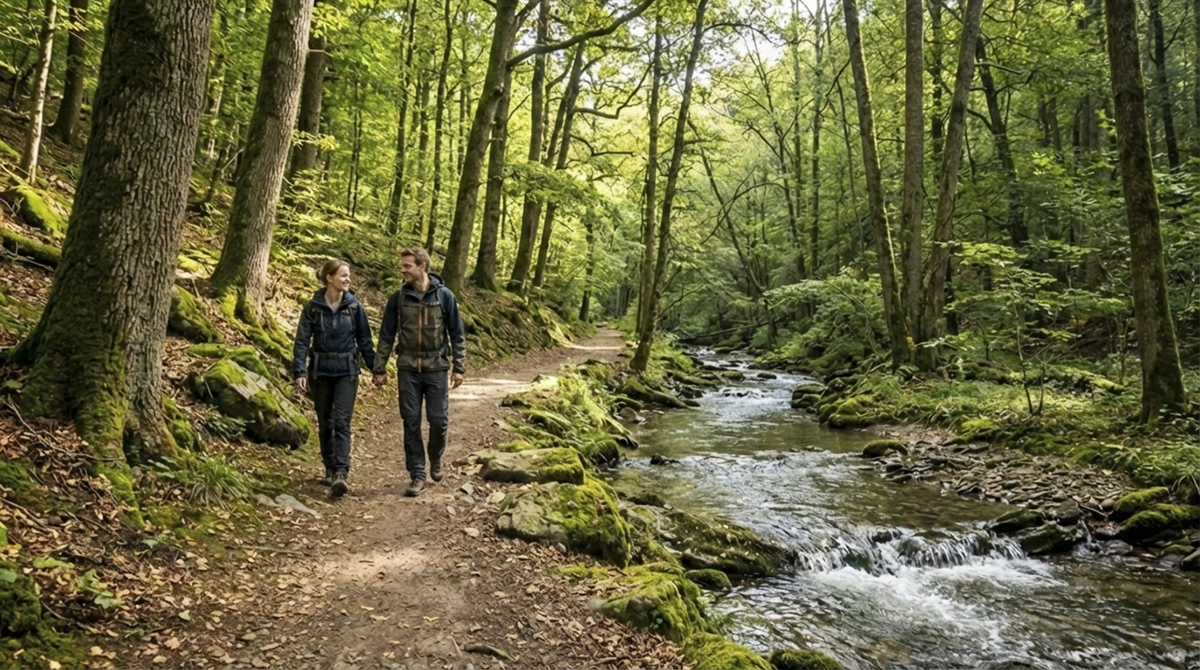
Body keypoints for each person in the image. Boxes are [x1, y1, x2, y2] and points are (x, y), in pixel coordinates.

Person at [373, 247, 465, 497]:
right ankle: (417, 474)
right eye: (402, 266)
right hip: (407, 368)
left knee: (438, 420)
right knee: (411, 421)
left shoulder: (445, 297)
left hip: (437, 367)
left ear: (422, 266)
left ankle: (435, 456)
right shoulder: (398, 298)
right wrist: (379, 367)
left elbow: (457, 334)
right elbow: (386, 334)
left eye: (407, 266)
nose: (402, 270)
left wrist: (459, 367)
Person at [292, 260, 377, 498]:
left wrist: (376, 369)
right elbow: (301, 341)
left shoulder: (354, 306)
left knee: (342, 421)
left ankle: (341, 472)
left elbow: (365, 340)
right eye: (343, 275)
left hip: (347, 372)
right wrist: (299, 371)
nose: (348, 279)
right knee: (325, 422)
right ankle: (329, 468)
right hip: (320, 372)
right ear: (329, 278)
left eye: (348, 276)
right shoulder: (313, 307)